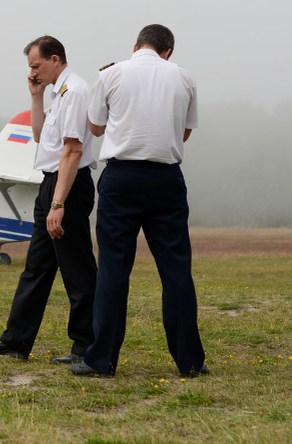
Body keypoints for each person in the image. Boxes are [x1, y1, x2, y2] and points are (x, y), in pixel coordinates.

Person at [70, 24, 207, 378]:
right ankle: (189, 362)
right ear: (168, 52)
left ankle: (101, 361)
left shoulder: (112, 74)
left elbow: (96, 129)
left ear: (136, 46)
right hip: (166, 179)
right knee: (176, 271)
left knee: (114, 269)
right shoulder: (185, 78)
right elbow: (185, 132)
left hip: (121, 179)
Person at [0, 35, 97, 363]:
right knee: (36, 268)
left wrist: (58, 204)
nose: (33, 72)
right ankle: (16, 341)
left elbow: (73, 151)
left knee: (77, 270)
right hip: (50, 184)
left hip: (66, 186)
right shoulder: (57, 93)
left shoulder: (75, 92)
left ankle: (87, 348)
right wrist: (36, 96)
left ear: (55, 59)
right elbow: (42, 136)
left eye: (36, 66)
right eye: (30, 67)